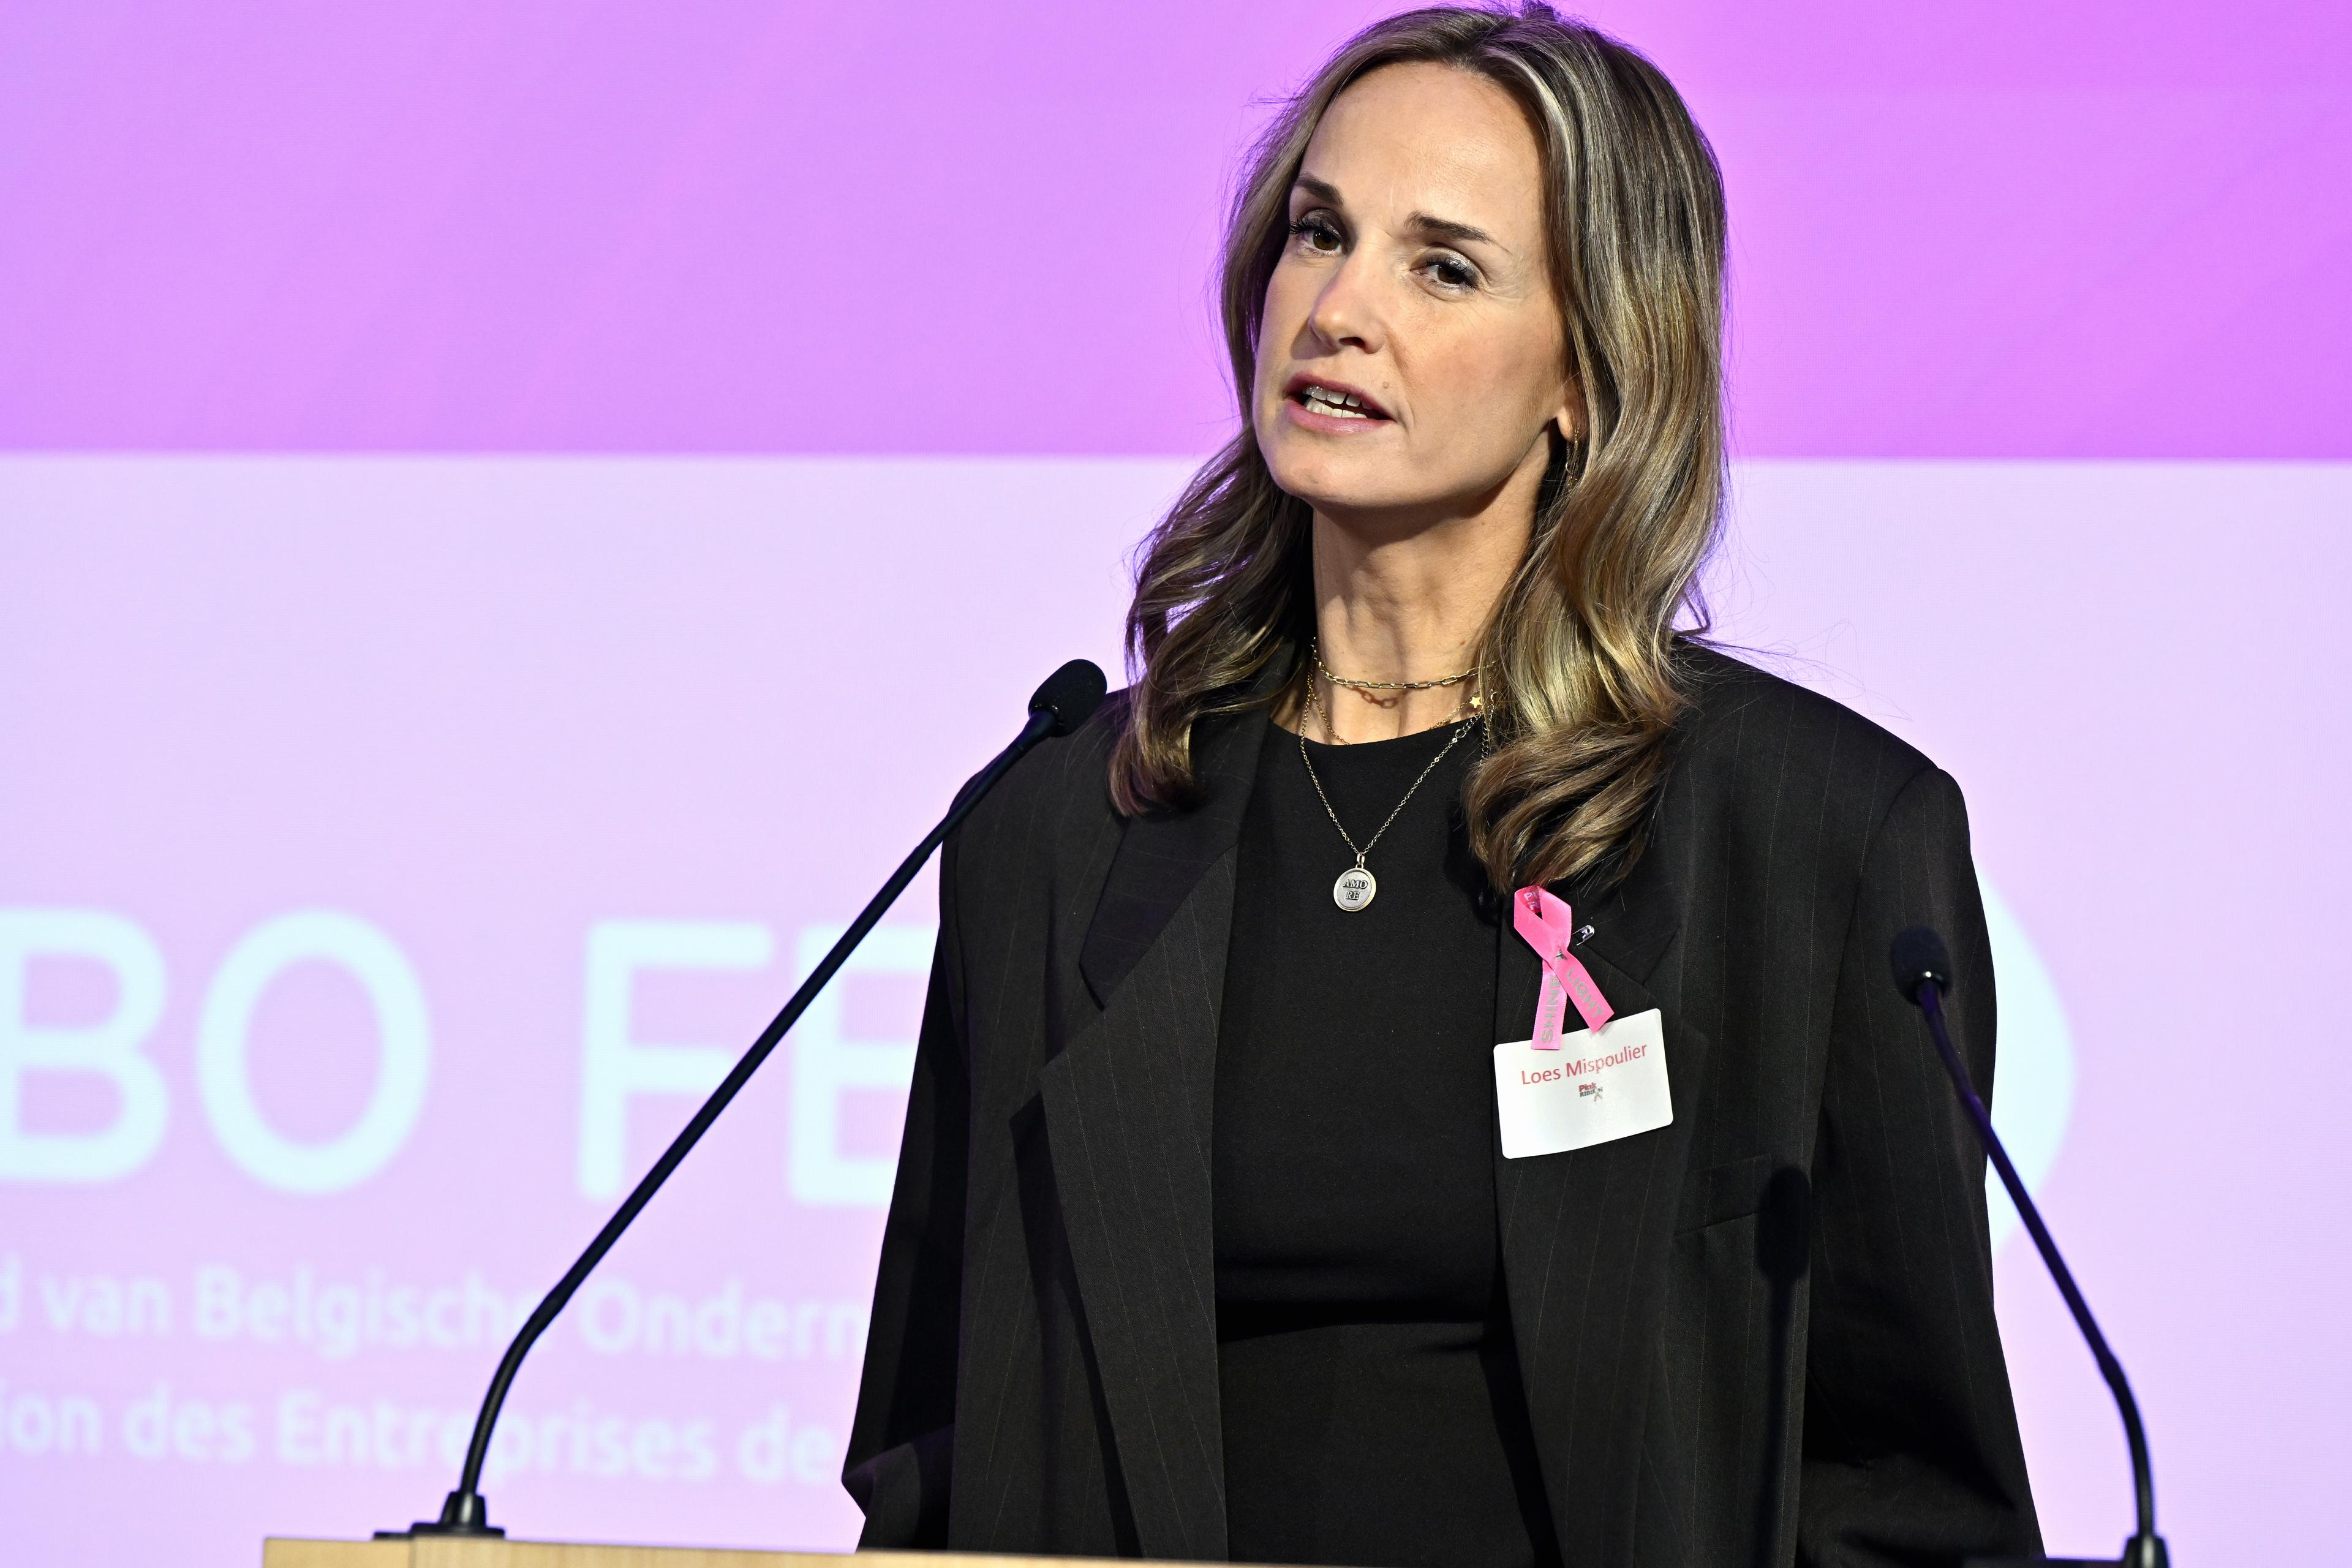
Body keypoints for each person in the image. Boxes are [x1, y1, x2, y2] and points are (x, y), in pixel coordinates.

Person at [843, 6, 2041, 1566]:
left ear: (1589, 371)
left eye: (1445, 267)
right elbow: (935, 1458)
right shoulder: (1062, 824)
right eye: (1319, 232)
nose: (1339, 309)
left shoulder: (1812, 839)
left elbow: (1909, 1501)